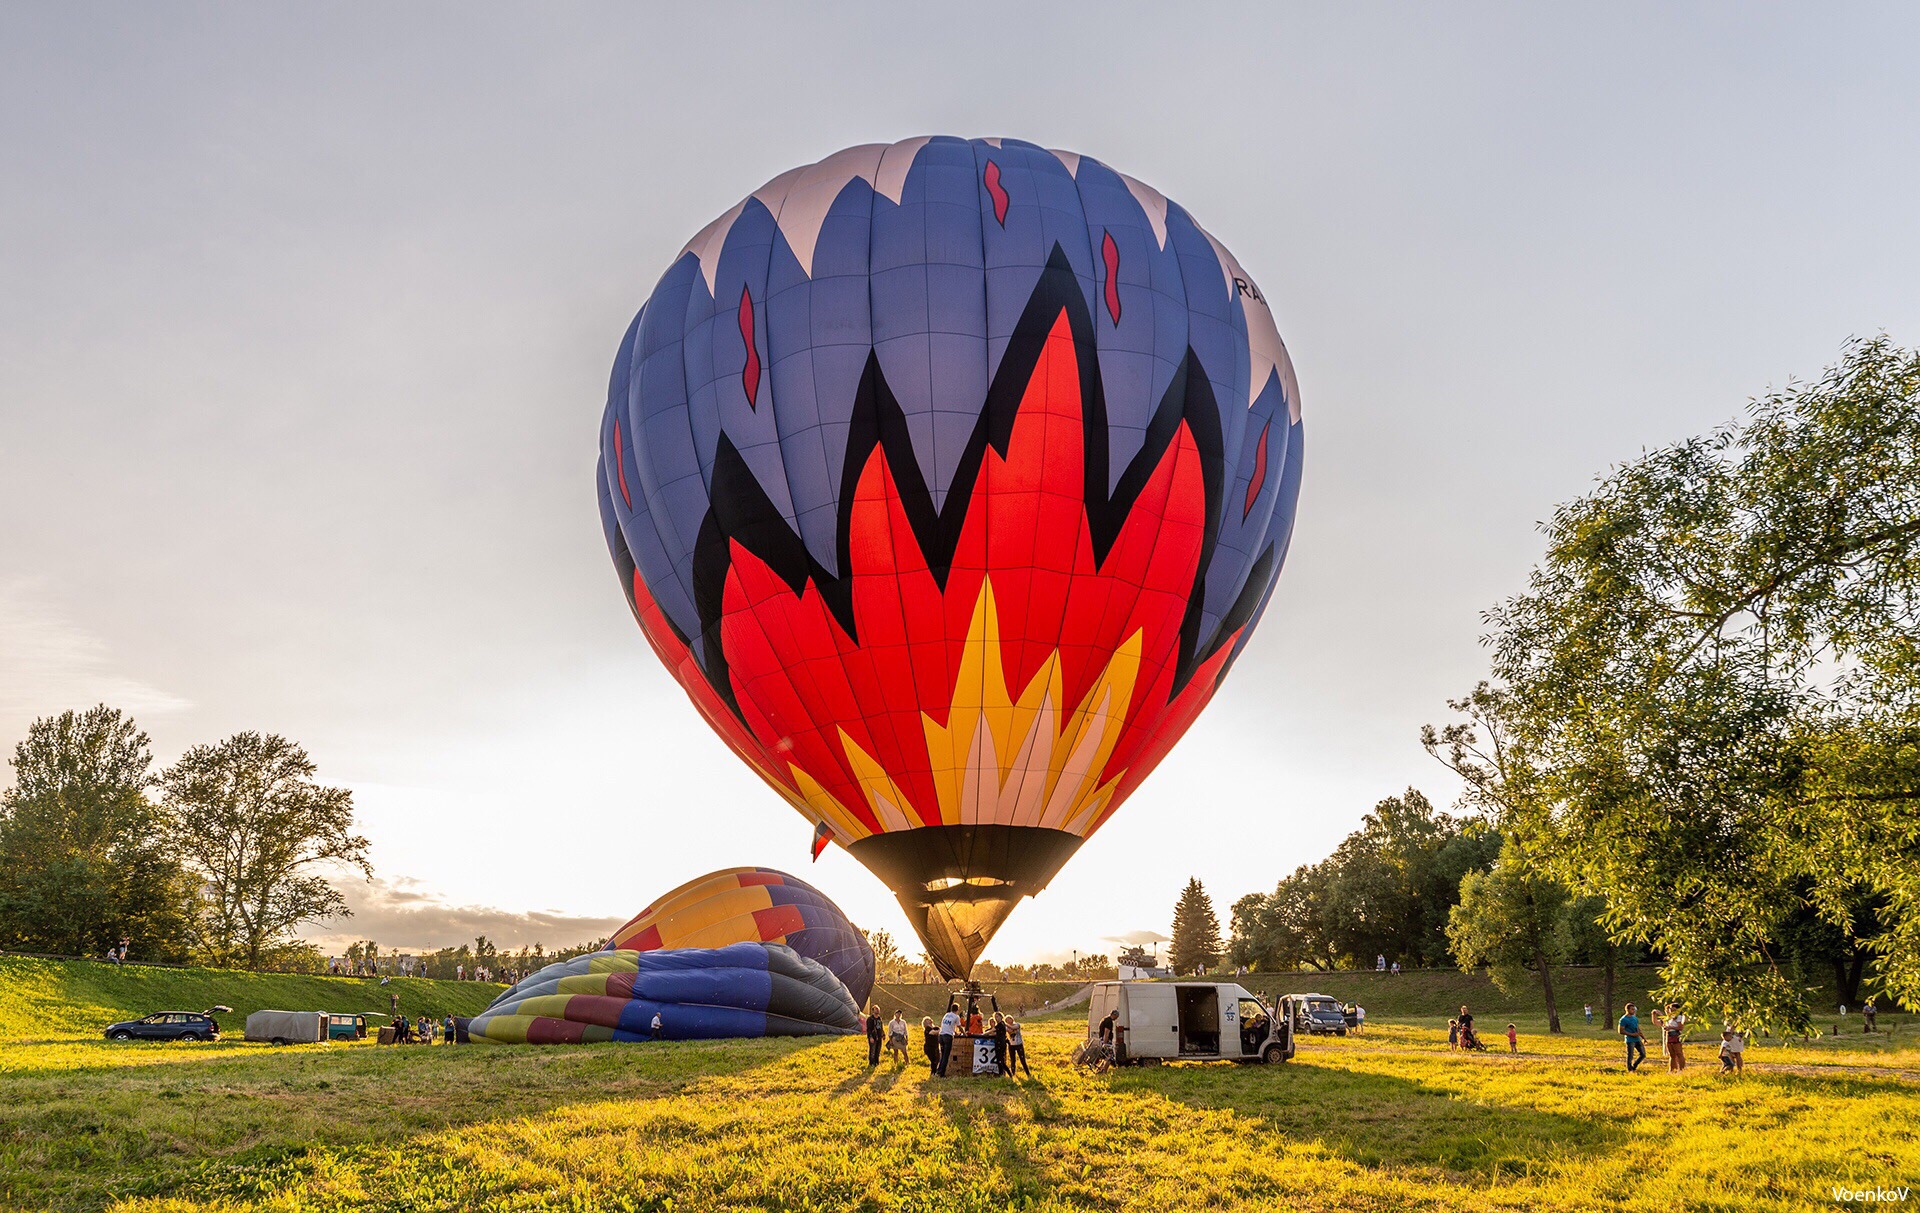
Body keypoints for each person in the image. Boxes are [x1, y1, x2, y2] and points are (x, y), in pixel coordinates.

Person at [1620, 1003, 1646, 1072]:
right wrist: (1632, 1034)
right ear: (1627, 1010)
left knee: (1643, 1054)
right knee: (1630, 1055)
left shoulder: (1634, 1018)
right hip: (1630, 1040)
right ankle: (1629, 1068)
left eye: (1634, 1009)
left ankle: (1634, 1066)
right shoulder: (1623, 1019)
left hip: (1637, 1039)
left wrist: (1643, 1037)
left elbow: (1637, 1028)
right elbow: (1621, 1031)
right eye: (1632, 1009)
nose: (1633, 1011)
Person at [937, 1003, 960, 1076]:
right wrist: (964, 1034)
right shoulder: (956, 1017)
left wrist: (955, 1032)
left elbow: (947, 1026)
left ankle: (938, 1070)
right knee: (946, 1056)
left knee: (942, 1054)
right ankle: (942, 1073)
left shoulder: (946, 1015)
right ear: (957, 1009)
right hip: (948, 1037)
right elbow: (960, 1027)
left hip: (941, 1035)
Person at [1663, 1004, 1686, 1072]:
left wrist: (1670, 1027)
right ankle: (1672, 1069)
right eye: (1670, 1009)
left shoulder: (1679, 1017)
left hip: (1675, 1034)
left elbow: (1680, 1027)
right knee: (1672, 1054)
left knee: (1679, 1053)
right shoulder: (1670, 1018)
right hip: (1669, 1035)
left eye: (1674, 1010)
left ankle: (1681, 1069)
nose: (1671, 1011)